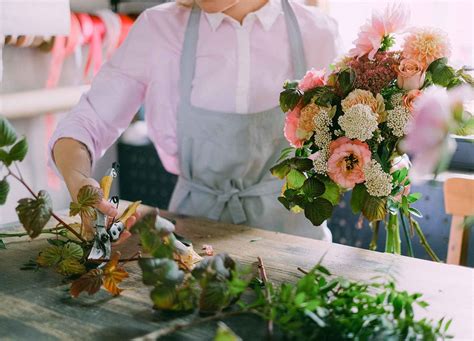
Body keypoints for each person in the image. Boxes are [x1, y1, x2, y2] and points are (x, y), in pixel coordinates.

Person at [50, 0, 341, 241]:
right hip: (192, 247)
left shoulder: (319, 33)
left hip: (299, 253)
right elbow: (88, 121)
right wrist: (79, 179)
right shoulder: (158, 29)